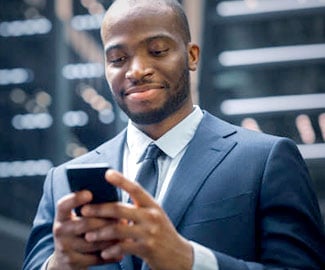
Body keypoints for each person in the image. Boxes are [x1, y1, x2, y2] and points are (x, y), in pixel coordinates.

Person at [23, 0, 325, 269]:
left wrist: (191, 261)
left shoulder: (265, 160)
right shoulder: (62, 181)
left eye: (157, 51)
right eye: (117, 59)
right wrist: (58, 264)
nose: (137, 70)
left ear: (192, 56)